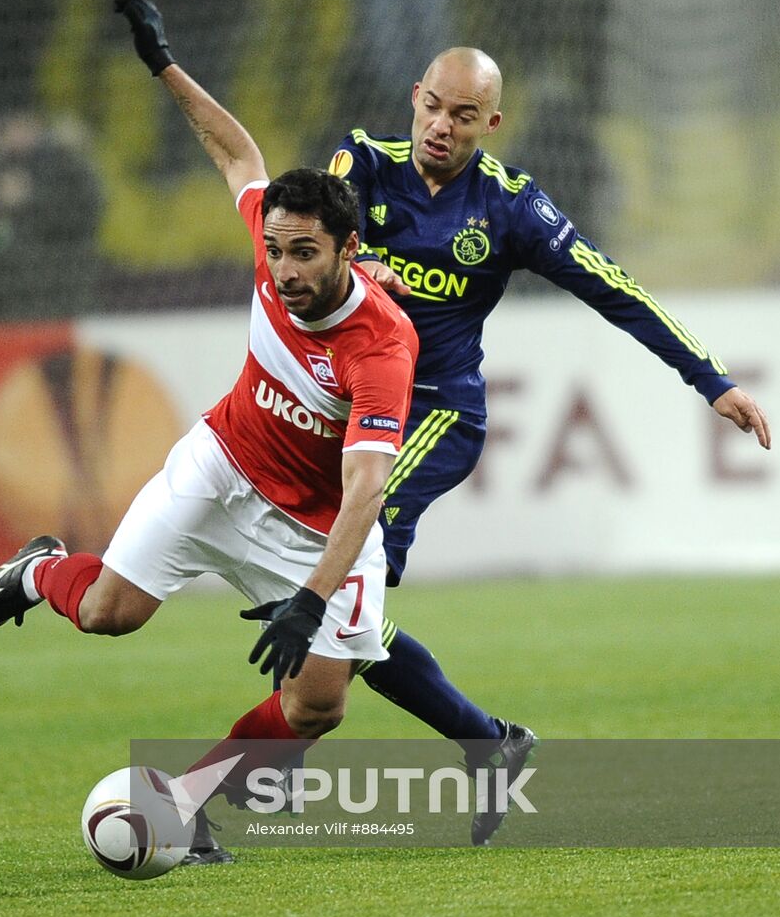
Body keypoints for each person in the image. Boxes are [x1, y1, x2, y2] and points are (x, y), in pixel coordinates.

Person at [0, 0, 421, 865]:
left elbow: (365, 490)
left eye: (305, 254)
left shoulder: (380, 345)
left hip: (319, 524)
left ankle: (190, 804)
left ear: (347, 250)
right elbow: (234, 150)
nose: (283, 271)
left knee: (319, 705)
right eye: (275, 250)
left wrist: (312, 598)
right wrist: (163, 67)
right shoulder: (272, 241)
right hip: (223, 466)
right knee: (105, 614)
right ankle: (37, 570)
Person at [317, 46, 772, 838]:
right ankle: (489, 745)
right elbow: (296, 248)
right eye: (434, 106)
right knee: (341, 615)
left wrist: (711, 379)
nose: (441, 127)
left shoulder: (510, 208)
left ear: (490, 124)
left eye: (464, 116)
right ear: (414, 97)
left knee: (337, 592)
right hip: (351, 412)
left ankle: (230, 787)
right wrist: (360, 266)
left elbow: (614, 289)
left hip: (434, 416)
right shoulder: (358, 166)